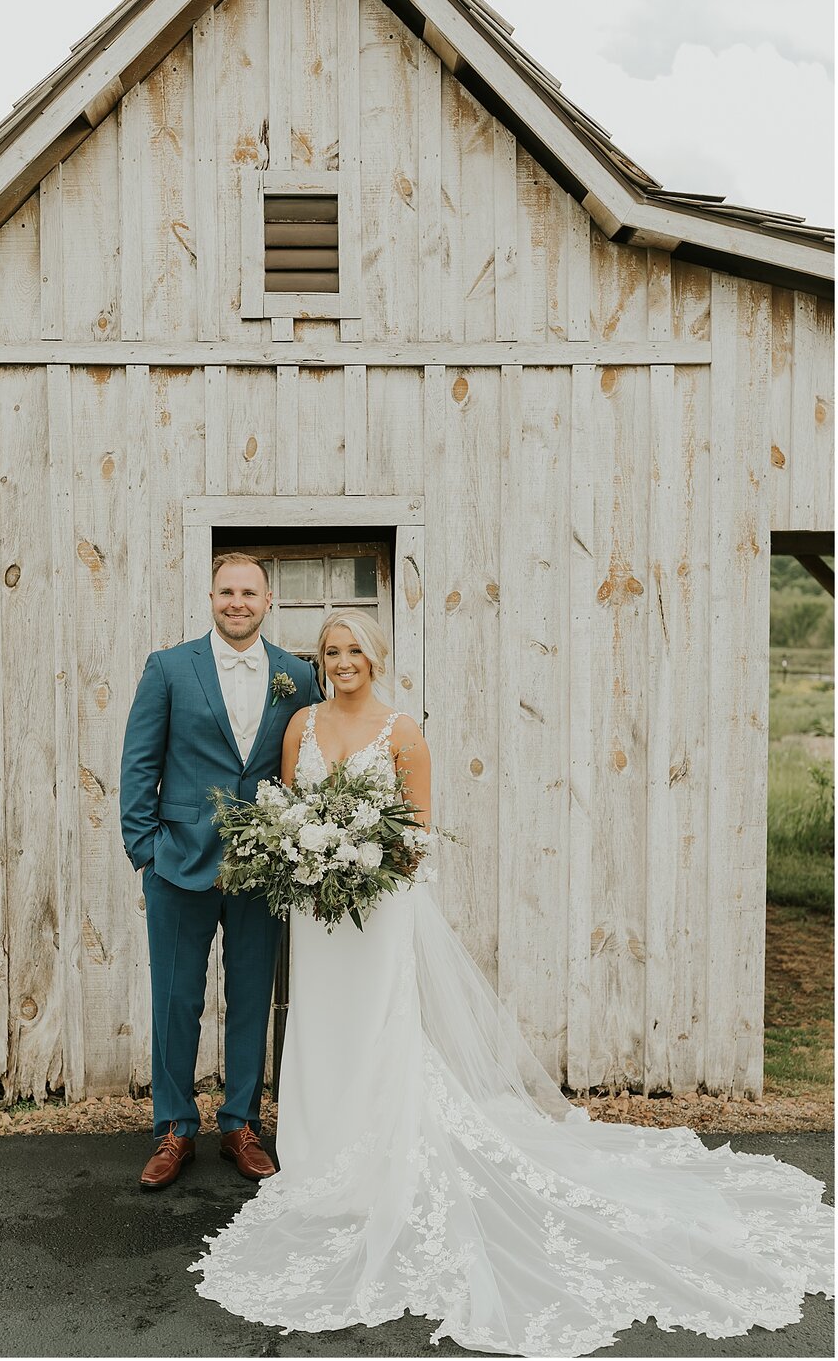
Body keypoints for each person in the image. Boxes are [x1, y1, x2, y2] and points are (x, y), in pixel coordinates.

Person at [190, 610, 834, 1356]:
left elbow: (418, 837)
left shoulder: (403, 733)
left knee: (375, 1027)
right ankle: (317, 1153)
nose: (342, 662)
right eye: (331, 652)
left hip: (376, 910)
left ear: (376, 656)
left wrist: (357, 860)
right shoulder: (299, 725)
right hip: (315, 909)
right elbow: (288, 809)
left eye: (354, 651)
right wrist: (309, 856)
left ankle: (378, 1161)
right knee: (320, 1026)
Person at [119, 553, 324, 1189]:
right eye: (226, 591)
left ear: (269, 601)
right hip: (178, 862)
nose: (237, 602)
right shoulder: (170, 668)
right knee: (176, 1000)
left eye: (250, 592)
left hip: (262, 870)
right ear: (211, 597)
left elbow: (308, 765)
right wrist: (145, 849)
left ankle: (241, 1124)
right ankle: (175, 1130)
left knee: (251, 997)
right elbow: (138, 764)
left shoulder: (296, 675)